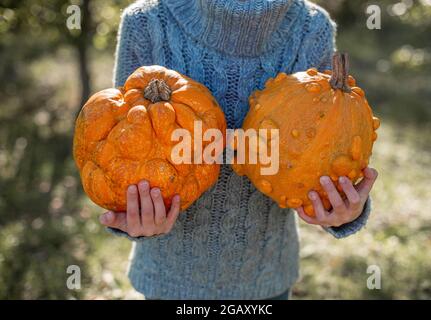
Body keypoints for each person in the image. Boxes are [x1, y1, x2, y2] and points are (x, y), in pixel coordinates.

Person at [99, 0, 378, 300]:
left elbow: (325, 148)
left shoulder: (312, 29)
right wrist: (131, 216)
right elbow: (121, 160)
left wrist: (343, 210)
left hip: (266, 279)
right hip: (168, 280)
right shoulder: (147, 24)